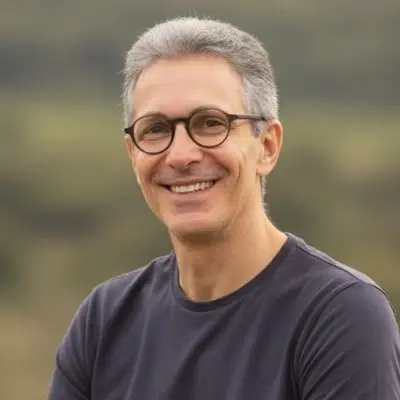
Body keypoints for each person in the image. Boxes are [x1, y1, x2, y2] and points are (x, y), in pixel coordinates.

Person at [48, 17, 400, 399]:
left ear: (267, 147)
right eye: (156, 129)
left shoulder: (339, 315)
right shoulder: (104, 322)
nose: (180, 155)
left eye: (210, 123)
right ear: (133, 155)